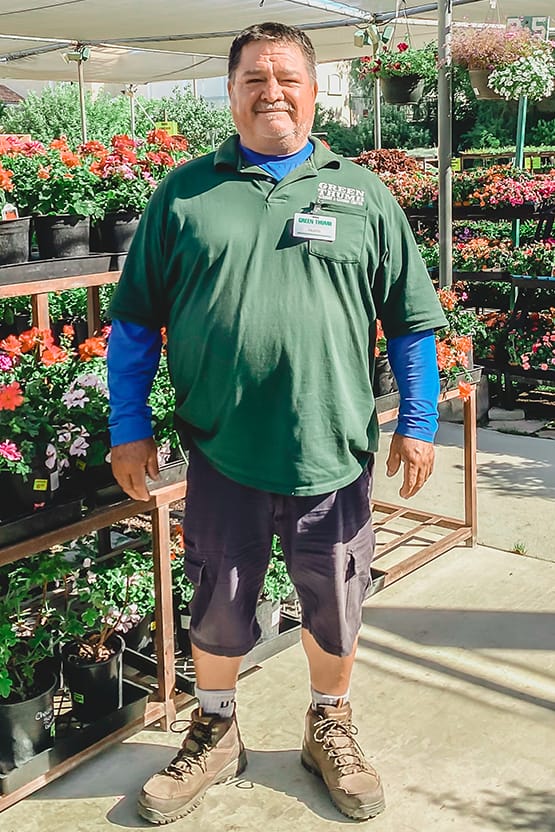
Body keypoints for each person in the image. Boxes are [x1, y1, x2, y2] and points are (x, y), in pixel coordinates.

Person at [107, 22, 447, 825]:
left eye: (287, 78)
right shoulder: (184, 193)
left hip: (332, 450)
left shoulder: (361, 194)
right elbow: (133, 323)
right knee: (220, 599)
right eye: (253, 79)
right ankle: (217, 730)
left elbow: (409, 321)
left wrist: (420, 420)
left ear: (313, 89)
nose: (272, 93)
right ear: (229, 94)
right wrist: (129, 424)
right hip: (223, 450)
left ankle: (328, 723)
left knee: (334, 598)